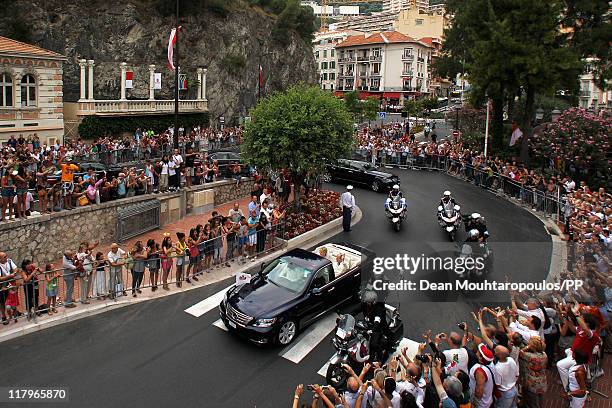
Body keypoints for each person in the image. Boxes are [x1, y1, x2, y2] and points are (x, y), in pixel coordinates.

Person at [361, 289, 388, 362]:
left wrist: (372, 330)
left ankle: (380, 357)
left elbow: (377, 321)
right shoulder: (365, 305)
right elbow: (358, 309)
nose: (367, 303)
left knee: (373, 344)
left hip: (378, 328)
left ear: (373, 302)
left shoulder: (379, 308)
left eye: (369, 302)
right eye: (366, 302)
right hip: (368, 325)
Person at [469, 344, 498, 408]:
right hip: (488, 400)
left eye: (478, 353)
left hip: (482, 405)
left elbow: (479, 393)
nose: (476, 353)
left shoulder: (480, 372)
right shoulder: (491, 365)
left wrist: (474, 404)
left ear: (480, 358)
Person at [0, 251, 18, 324]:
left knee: (13, 299)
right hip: (2, 286)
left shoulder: (9, 261)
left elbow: (15, 268)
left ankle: (15, 315)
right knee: (2, 302)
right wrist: (9, 276)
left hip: (11, 284)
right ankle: (4, 317)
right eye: (4, 257)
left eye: (6, 256)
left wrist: (14, 272)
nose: (6, 257)